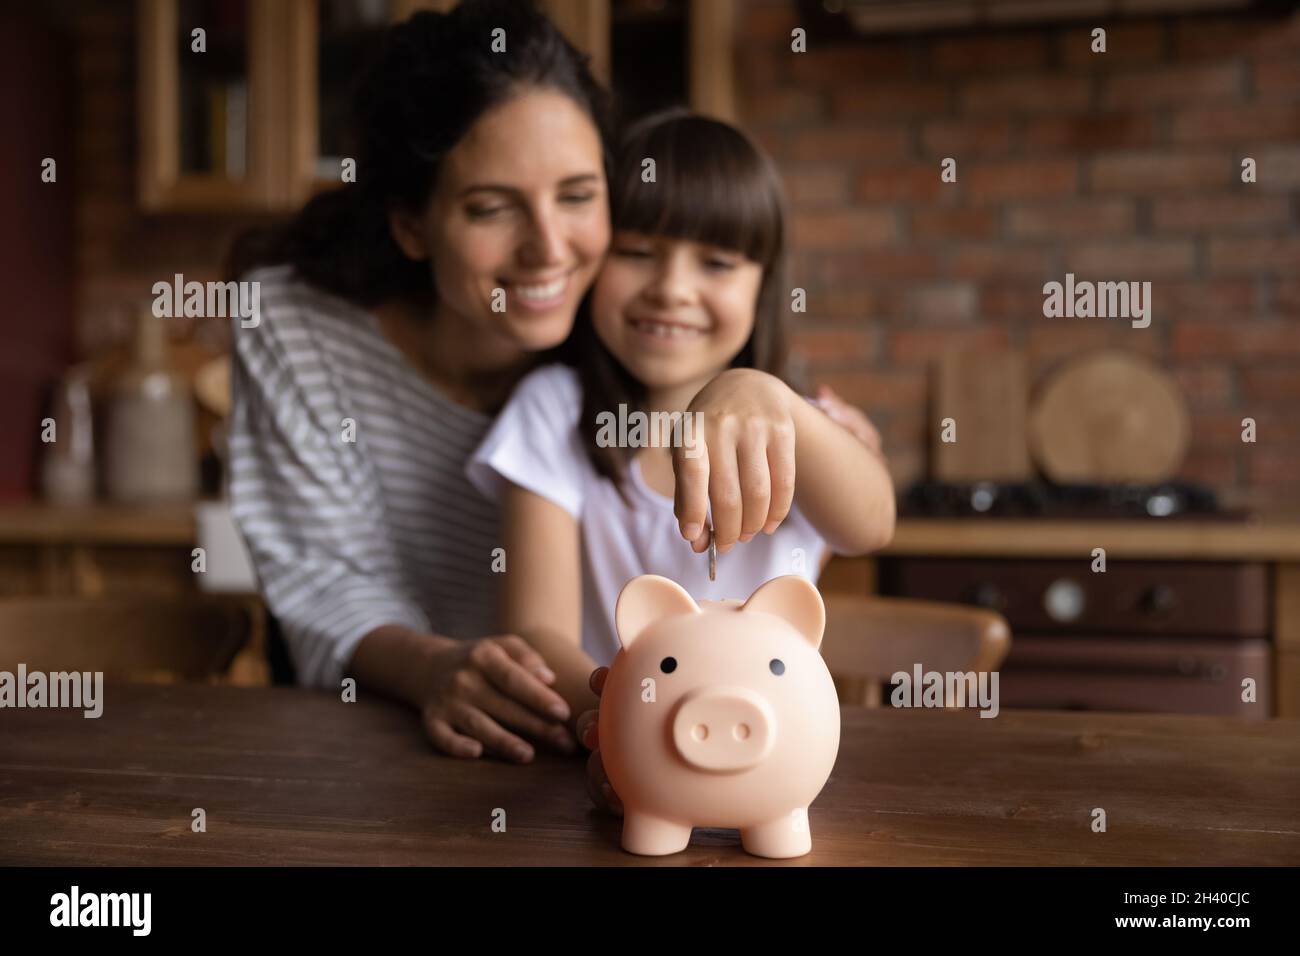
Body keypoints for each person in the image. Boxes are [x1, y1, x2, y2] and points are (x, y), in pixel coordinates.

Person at [465, 111, 896, 807]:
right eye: (638, 251)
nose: (671, 287)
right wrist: (617, 724)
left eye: (717, 263)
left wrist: (769, 399)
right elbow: (537, 627)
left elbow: (871, 525)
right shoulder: (553, 410)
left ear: (764, 286)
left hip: (776, 766)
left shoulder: (800, 427)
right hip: (612, 755)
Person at [226, 0, 615, 764]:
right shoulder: (296, 328)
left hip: (586, 741)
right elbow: (326, 579)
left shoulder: (627, 315)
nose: (548, 249)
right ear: (411, 223)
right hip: (376, 737)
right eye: (491, 207)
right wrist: (436, 666)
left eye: (577, 195)